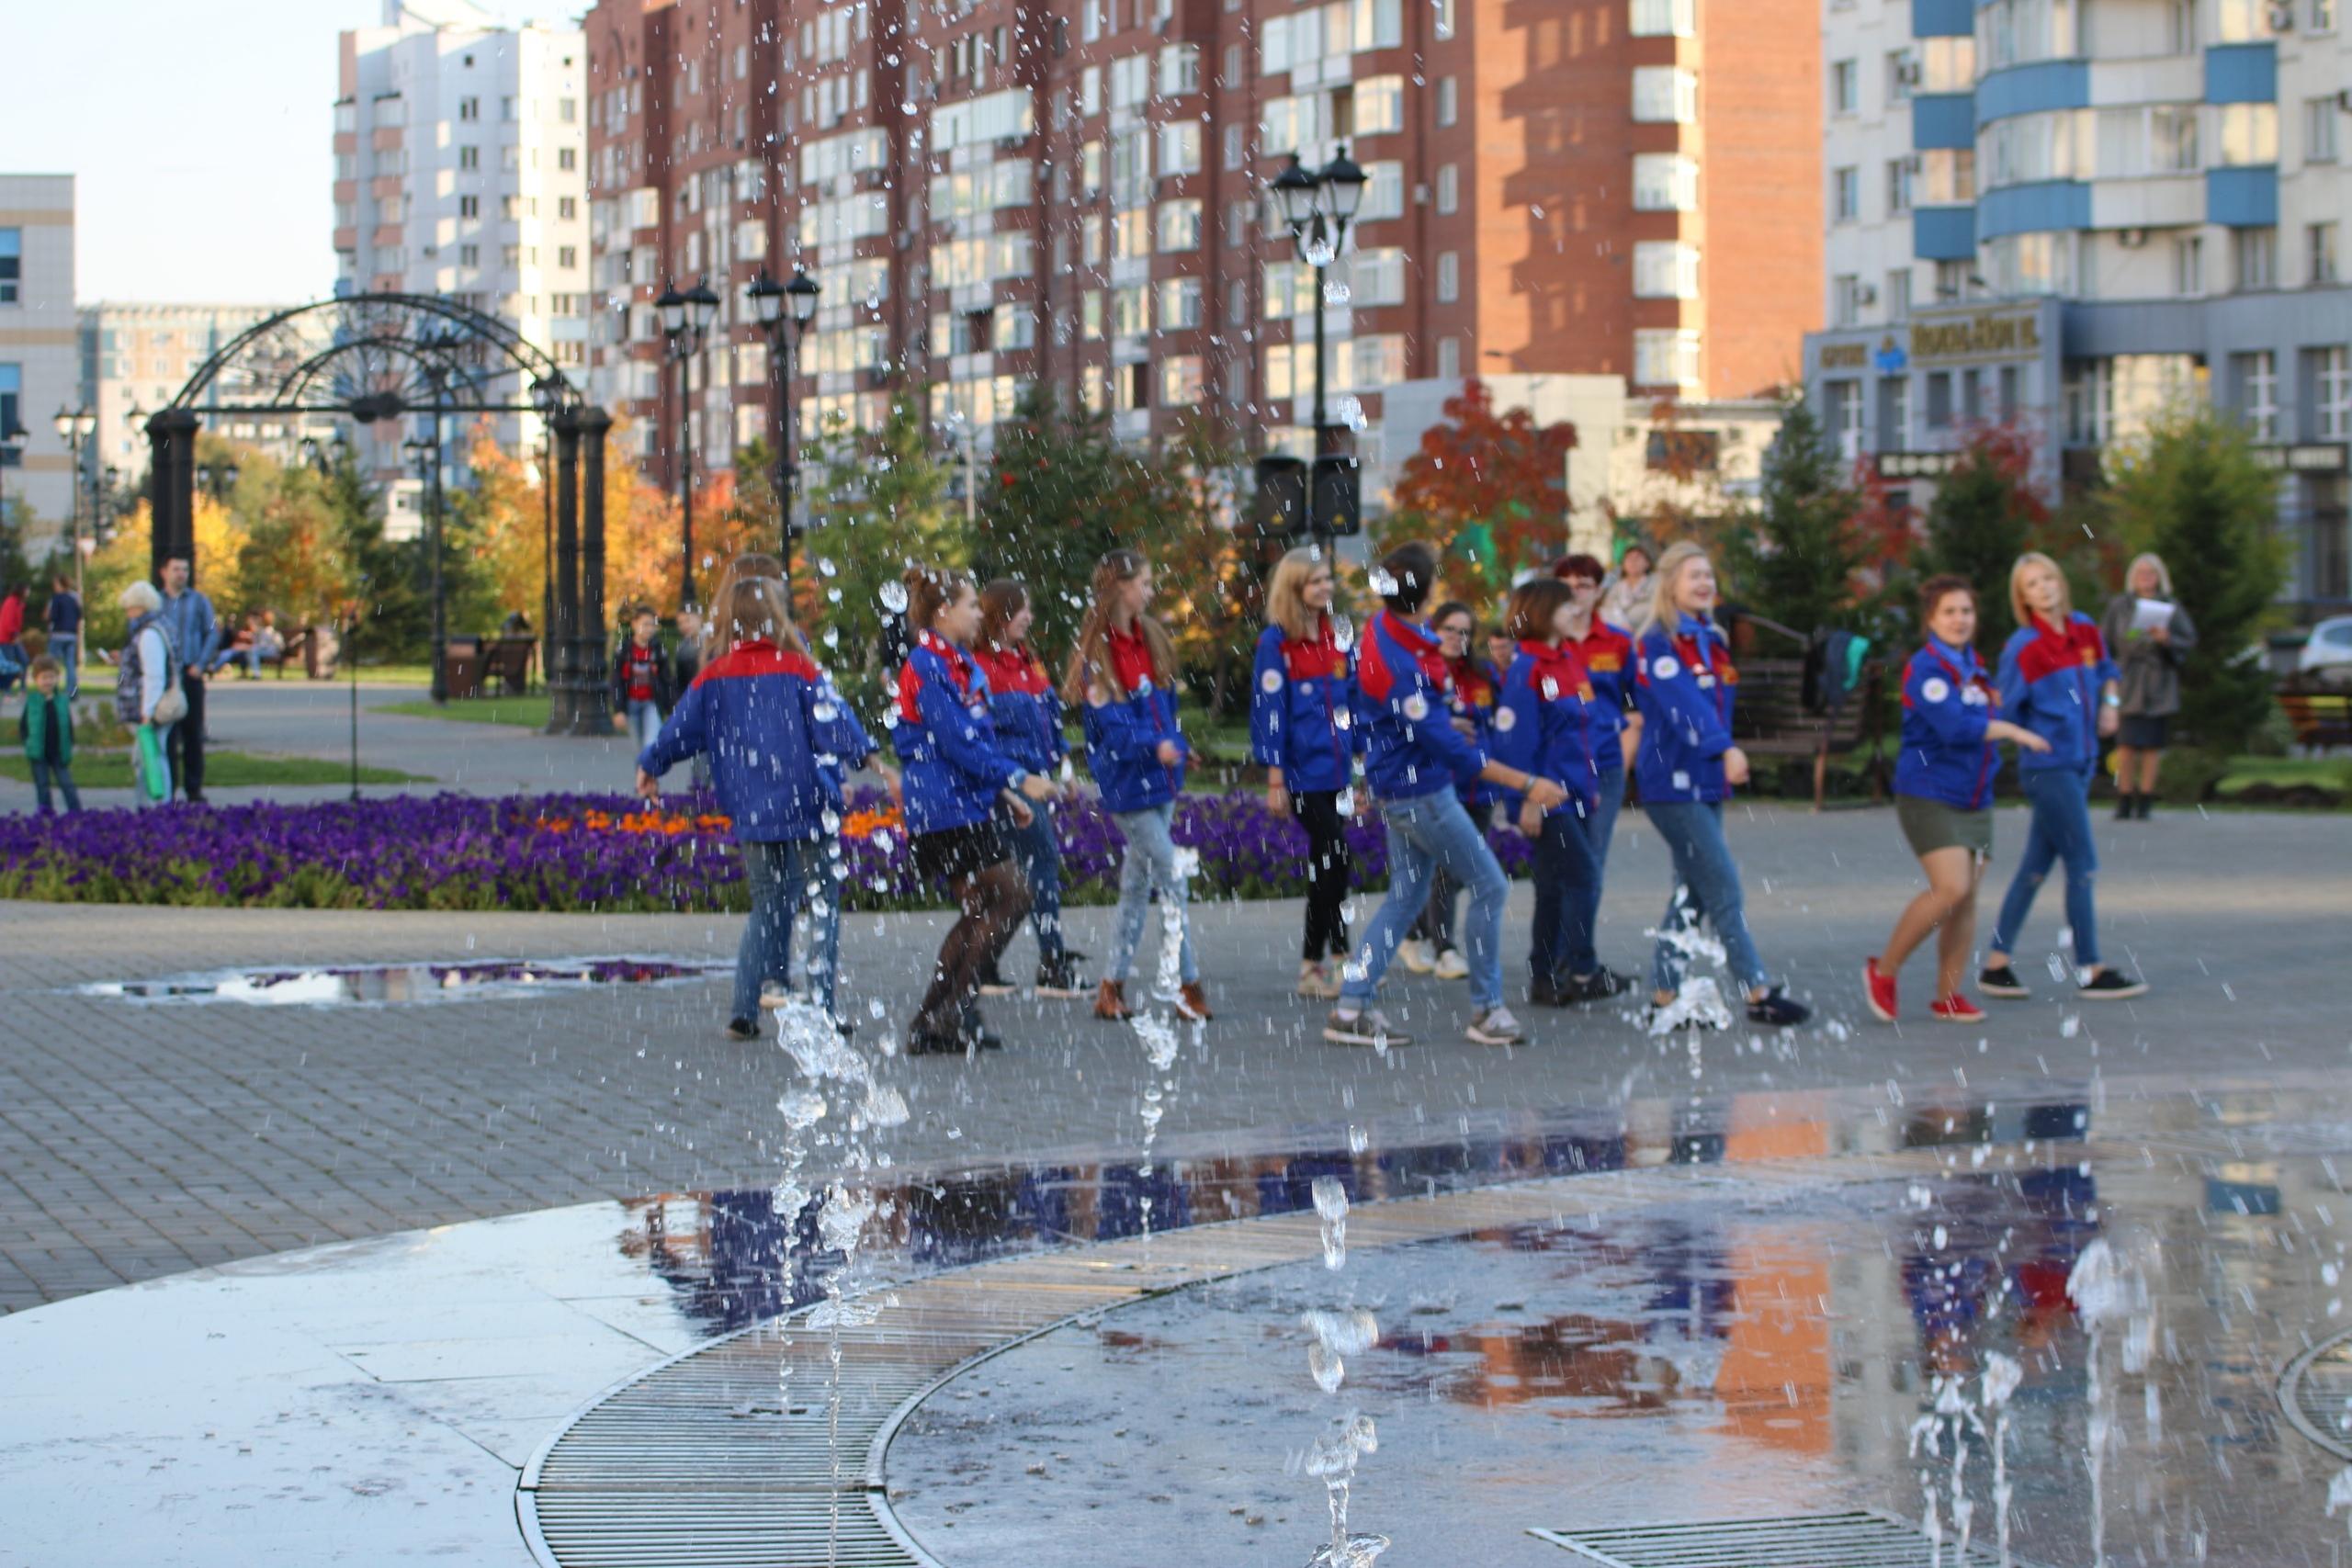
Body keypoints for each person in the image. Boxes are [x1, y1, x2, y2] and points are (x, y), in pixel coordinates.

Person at [1327, 541, 1568, 1048]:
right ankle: (1487, 1010)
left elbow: (1371, 706)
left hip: (1399, 785)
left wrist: (1379, 756)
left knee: (1404, 898)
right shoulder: (1404, 663)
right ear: (1427, 593)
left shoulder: (1382, 631)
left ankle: (1351, 1007)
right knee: (1490, 886)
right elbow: (1453, 752)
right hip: (1421, 793)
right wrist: (1527, 783)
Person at [636, 573, 888, 1039]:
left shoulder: (715, 674)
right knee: (822, 902)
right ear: (776, 615)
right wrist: (871, 760)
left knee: (767, 905)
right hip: (807, 800)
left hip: (751, 804)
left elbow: (679, 729)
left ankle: (743, 1008)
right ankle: (822, 1007)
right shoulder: (797, 667)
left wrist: (652, 765)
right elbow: (835, 723)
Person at [1633, 541, 1812, 1027]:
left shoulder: (1711, 638)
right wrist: (1725, 747)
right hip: (1672, 783)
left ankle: (1665, 997)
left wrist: (1721, 752)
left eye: (1708, 575)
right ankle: (1755, 991)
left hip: (1705, 781)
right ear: (1670, 585)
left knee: (1692, 891)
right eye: (1694, 576)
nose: (1705, 583)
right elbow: (1685, 705)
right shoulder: (1658, 644)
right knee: (1723, 886)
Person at [1863, 576, 2053, 1025]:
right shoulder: (1926, 668)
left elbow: (1985, 712)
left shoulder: (1974, 667)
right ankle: (1883, 971)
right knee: (1951, 887)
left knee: (1966, 900)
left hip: (1974, 796)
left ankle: (1948, 997)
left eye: (1966, 611)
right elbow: (1954, 726)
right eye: (1949, 612)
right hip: (1928, 792)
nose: (1959, 619)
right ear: (1931, 619)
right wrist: (2010, 730)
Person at [895, 566, 1059, 1055]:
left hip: (962, 802)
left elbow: (974, 740)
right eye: (971, 605)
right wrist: (1017, 779)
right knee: (1012, 894)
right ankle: (948, 1011)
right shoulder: (927, 665)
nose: (978, 614)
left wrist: (1004, 795)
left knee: (983, 907)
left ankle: (934, 1019)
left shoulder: (959, 663)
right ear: (943, 612)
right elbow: (956, 742)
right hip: (943, 808)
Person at [1982, 552, 2147, 1000]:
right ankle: (2091, 968)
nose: (2045, 588)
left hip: (2082, 761)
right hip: (2047, 767)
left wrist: (2110, 707)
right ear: (2023, 597)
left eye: (2049, 578)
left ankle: (1996, 965)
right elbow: (2006, 709)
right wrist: (2026, 737)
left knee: (2035, 868)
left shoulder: (2085, 629)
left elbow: (2109, 673)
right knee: (2083, 865)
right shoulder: (2024, 647)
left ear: (2061, 582)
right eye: (2033, 584)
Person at [1065, 547, 1214, 1024]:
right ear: (1119, 588)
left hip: (1161, 780)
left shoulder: (1149, 638)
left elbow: (1163, 708)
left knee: (1136, 888)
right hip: (1129, 784)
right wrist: (1157, 746)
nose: (1150, 591)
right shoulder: (1098, 657)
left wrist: (1175, 745)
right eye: (1144, 583)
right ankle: (1186, 986)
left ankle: (1111, 988)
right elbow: (1113, 726)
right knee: (1172, 879)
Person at [1488, 578, 1614, 1007]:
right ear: (1543, 612)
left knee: (1553, 887)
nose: (1575, 609)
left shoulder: (1567, 660)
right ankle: (1582, 968)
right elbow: (1517, 740)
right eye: (1564, 605)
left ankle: (1545, 976)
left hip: (1574, 791)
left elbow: (1581, 729)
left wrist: (1590, 786)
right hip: (1546, 796)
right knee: (1584, 877)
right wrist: (1528, 799)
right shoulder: (1529, 667)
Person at [1251, 547, 1361, 1000]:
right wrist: (1276, 778)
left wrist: (1360, 768)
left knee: (1331, 863)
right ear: (1295, 589)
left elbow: (1353, 699)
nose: (1326, 587)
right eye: (1315, 581)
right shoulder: (1276, 642)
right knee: (1332, 854)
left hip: (1337, 771)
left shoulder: (1340, 633)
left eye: (1327, 580)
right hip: (1300, 773)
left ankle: (1326, 961)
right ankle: (1323, 961)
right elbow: (1270, 711)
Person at [972, 578, 1088, 998]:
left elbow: (1050, 721)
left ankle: (983, 964)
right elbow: (980, 736)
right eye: (1023, 610)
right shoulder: (979, 667)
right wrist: (1012, 780)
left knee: (1016, 876)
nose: (1030, 617)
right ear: (1002, 613)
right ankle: (1052, 964)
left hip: (1035, 780)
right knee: (1040, 866)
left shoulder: (1027, 660)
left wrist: (1066, 766)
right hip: (1010, 785)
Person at [1396, 602, 1499, 980]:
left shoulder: (1482, 674)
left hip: (1480, 786)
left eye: (1465, 631)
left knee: (1462, 869)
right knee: (1443, 871)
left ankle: (1414, 933)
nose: (1458, 638)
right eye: (1450, 629)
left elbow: (1495, 725)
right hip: (1440, 787)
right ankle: (1445, 948)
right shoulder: (1422, 673)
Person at [1553, 553, 1641, 900]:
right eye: (1567, 586)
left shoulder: (1617, 642)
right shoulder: (1545, 643)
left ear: (1598, 590)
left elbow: (1636, 704)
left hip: (1604, 762)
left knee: (1592, 857)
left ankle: (1578, 950)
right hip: (1556, 765)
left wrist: (1626, 754)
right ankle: (1555, 948)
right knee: (1558, 860)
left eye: (1584, 585)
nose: (1576, 593)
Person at [2099, 552, 2196, 821]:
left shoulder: (2170, 606)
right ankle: (2124, 796)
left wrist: (2167, 640)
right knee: (2127, 743)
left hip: (2158, 682)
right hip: (2128, 679)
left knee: (2153, 744)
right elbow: (2104, 641)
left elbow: (2187, 640)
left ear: (2159, 577)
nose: (2146, 578)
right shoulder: (2120, 606)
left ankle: (2146, 797)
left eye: (2151, 573)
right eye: (2141, 573)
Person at [156, 557, 220, 804]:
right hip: (166, 676)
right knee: (168, 734)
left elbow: (212, 632)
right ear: (164, 572)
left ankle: (194, 789)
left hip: (190, 673)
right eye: (176, 569)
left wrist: (201, 664)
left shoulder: (199, 601)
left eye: (185, 569)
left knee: (193, 734)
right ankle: (169, 788)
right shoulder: (157, 602)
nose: (181, 574)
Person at [116, 581, 181, 807]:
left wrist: (147, 711)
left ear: (138, 607)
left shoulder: (148, 633)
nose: (128, 614)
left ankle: (157, 805)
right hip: (150, 705)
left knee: (151, 757)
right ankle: (152, 803)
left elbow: (154, 675)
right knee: (148, 757)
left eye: (129, 608)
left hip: (149, 708)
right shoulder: (160, 625)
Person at [612, 606, 675, 763]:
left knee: (650, 744)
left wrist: (671, 707)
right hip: (631, 705)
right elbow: (616, 680)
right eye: (645, 624)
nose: (649, 629)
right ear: (634, 624)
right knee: (639, 751)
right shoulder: (624, 649)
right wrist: (618, 709)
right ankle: (643, 786)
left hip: (651, 704)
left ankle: (650, 781)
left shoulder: (658, 650)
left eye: (653, 625)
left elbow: (666, 679)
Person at [18, 655, 80, 815]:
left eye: (51, 677)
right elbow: (24, 726)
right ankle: (46, 816)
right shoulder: (32, 701)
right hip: (38, 753)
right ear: (36, 680)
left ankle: (77, 814)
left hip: (59, 752)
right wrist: (28, 743)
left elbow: (68, 725)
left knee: (67, 784)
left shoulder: (62, 701)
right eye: (44, 678)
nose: (48, 681)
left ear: (57, 678)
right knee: (42, 785)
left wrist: (71, 743)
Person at [1599, 542, 1653, 631]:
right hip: (1619, 633)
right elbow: (1608, 610)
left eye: (1637, 558)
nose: (1633, 562)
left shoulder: (1656, 584)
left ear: (1647, 563)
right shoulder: (1616, 587)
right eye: (1629, 558)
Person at [44, 575, 81, 695]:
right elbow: (79, 615)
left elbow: (53, 617)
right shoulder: (74, 597)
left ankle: (51, 690)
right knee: (70, 664)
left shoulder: (57, 598)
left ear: (60, 585)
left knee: (52, 663)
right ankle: (72, 692)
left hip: (58, 634)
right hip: (71, 635)